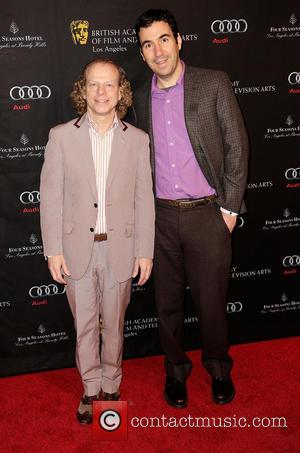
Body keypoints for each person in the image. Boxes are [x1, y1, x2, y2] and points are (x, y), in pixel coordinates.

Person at [133, 9, 248, 408]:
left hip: (207, 214)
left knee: (212, 302)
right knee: (166, 304)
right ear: (142, 52)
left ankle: (218, 369)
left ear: (179, 40)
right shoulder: (138, 95)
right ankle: (175, 372)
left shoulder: (212, 83)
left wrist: (230, 210)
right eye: (148, 43)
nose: (157, 50)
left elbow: (237, 146)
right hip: (160, 216)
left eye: (164, 39)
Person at [40, 57, 155, 424]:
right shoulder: (61, 136)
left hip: (120, 248)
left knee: (115, 323)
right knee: (85, 325)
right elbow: (51, 197)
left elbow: (144, 200)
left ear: (121, 90)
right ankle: (90, 388)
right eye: (94, 84)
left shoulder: (137, 140)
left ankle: (112, 383)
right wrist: (53, 249)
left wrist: (145, 252)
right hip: (76, 251)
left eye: (109, 84)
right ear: (83, 89)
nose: (102, 92)